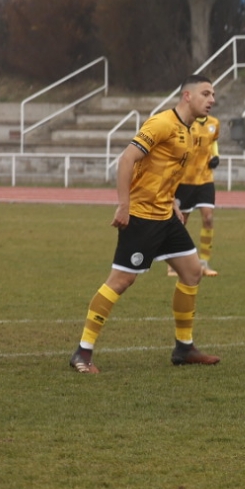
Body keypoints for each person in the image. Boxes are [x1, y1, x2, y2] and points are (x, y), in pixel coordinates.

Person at [69, 75, 221, 373]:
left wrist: (175, 202)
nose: (212, 99)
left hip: (166, 215)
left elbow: (169, 173)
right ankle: (82, 353)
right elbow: (127, 159)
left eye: (213, 95)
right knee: (122, 281)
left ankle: (184, 347)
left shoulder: (190, 132)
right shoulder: (161, 123)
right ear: (187, 96)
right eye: (206, 93)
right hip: (141, 217)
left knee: (192, 273)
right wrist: (124, 205)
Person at [170, 112, 221, 278]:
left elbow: (213, 142)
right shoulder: (185, 123)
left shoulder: (214, 123)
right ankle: (174, 264)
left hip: (205, 178)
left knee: (208, 218)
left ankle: (204, 263)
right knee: (181, 221)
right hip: (185, 180)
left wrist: (216, 156)